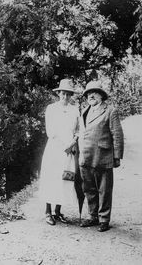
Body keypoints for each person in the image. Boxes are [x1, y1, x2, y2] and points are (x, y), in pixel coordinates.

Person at [78, 80, 124, 232]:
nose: (91, 95)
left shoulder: (110, 111)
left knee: (104, 189)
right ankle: (93, 216)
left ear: (101, 95)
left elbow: (117, 134)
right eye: (88, 93)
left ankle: (104, 218)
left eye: (94, 92)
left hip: (103, 155)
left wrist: (117, 156)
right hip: (86, 155)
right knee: (89, 188)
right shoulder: (85, 110)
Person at [39, 78, 79, 225]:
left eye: (68, 94)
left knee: (65, 178)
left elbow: (78, 129)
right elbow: (51, 131)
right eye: (63, 93)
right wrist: (66, 144)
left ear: (71, 95)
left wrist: (74, 141)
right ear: (58, 93)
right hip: (55, 148)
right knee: (52, 178)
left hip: (69, 151)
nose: (65, 96)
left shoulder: (74, 110)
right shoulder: (51, 108)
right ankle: (48, 211)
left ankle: (58, 211)